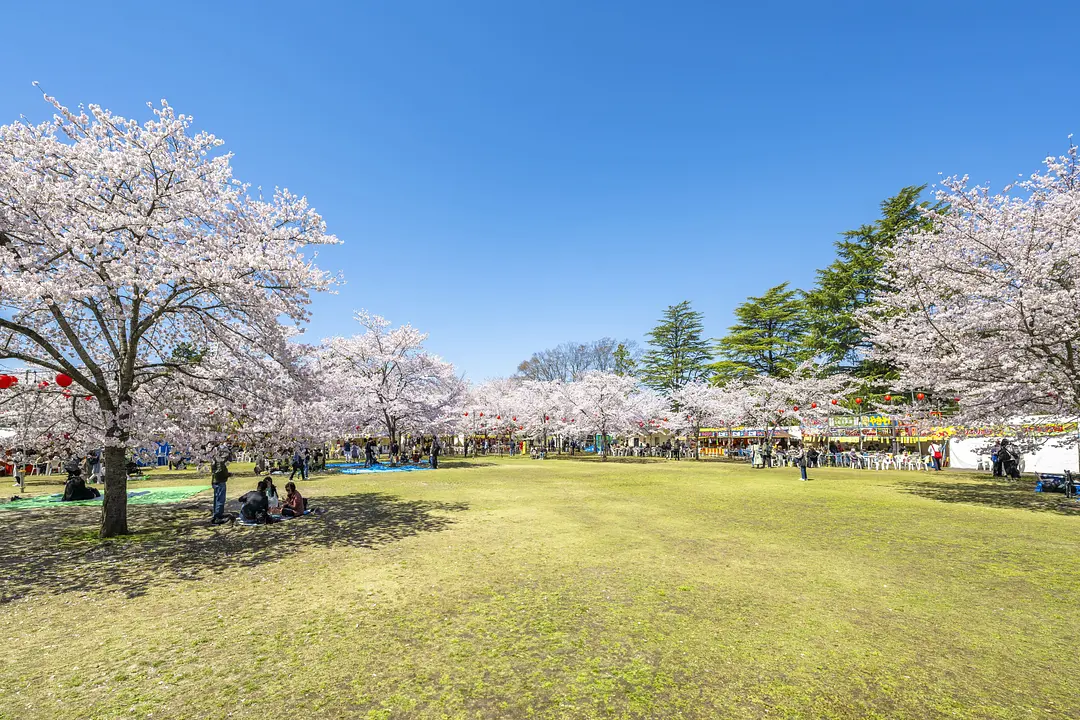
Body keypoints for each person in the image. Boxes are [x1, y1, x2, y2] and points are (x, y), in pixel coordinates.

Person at [210, 456, 231, 525]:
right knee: (220, 499)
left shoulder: (214, 459)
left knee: (217, 499)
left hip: (215, 481)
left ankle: (217, 514)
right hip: (220, 481)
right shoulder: (220, 461)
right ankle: (217, 517)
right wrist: (227, 474)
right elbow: (220, 472)